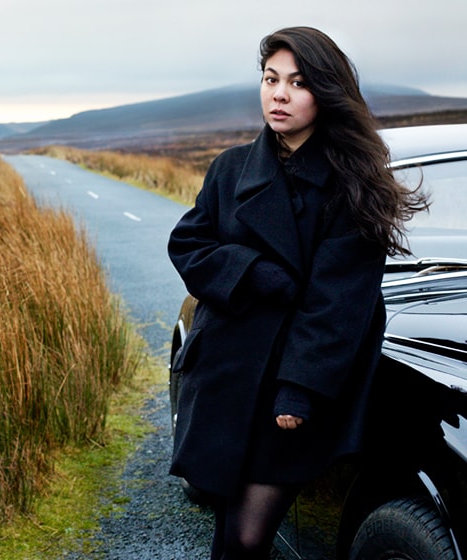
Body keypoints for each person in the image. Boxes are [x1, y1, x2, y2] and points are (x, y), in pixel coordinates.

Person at [167, 26, 427, 559]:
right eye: (270, 79)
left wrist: (299, 390)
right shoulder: (232, 168)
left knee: (247, 535)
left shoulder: (350, 181)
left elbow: (340, 300)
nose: (279, 94)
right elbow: (188, 243)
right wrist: (252, 272)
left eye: (297, 82)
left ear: (324, 93)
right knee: (226, 525)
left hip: (294, 384)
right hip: (228, 376)